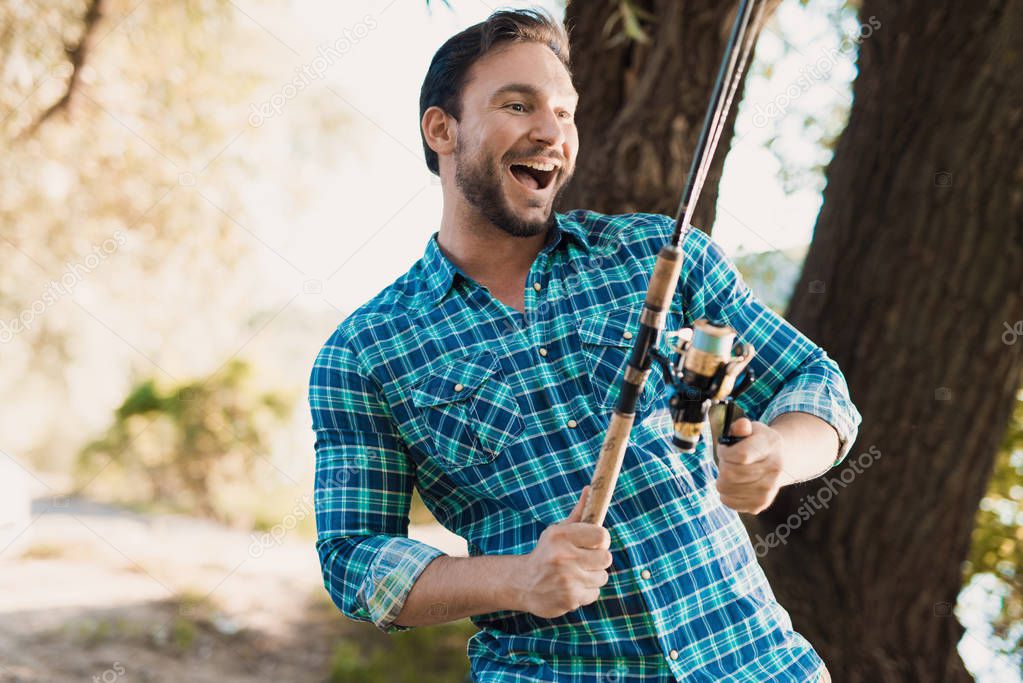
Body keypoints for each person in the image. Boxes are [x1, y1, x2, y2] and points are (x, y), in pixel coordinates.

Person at [309, 8, 857, 682]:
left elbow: (813, 380)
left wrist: (779, 454)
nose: (551, 131)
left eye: (564, 113)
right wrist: (515, 580)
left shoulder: (655, 254)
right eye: (518, 104)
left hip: (758, 664)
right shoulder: (364, 351)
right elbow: (352, 558)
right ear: (440, 128)